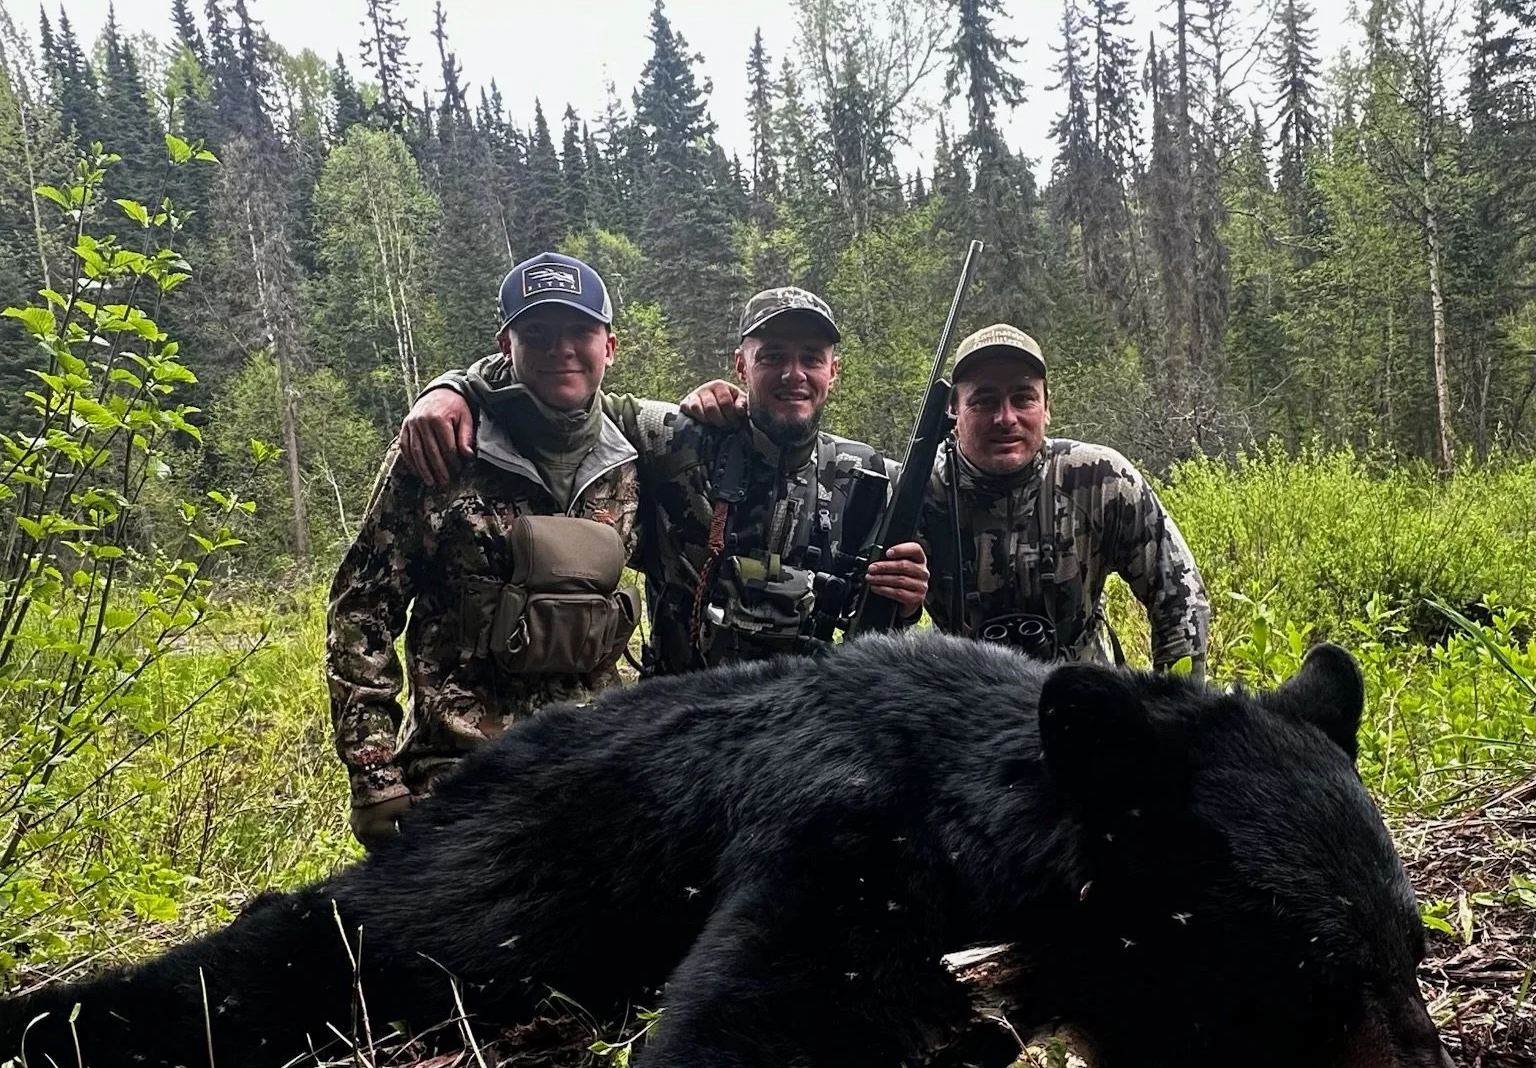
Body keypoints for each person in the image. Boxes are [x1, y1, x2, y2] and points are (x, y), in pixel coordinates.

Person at [398, 284, 929, 671]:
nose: (794, 374)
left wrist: (904, 607)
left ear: (834, 371)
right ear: (741, 367)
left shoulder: (874, 480)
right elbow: (563, 391)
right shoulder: (677, 439)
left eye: (811, 358)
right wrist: (452, 388)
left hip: (810, 732)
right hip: (684, 726)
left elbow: (880, 630)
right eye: (772, 358)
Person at [328, 252, 643, 847]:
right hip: (461, 772)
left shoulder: (637, 456)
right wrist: (373, 771)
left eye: (580, 330)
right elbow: (362, 610)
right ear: (506, 343)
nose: (561, 349)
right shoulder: (441, 450)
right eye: (537, 333)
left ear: (610, 345)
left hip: (598, 764)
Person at [919, 324, 1209, 677]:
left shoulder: (1099, 478)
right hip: (963, 700)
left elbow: (1180, 594)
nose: (1006, 418)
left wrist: (1176, 709)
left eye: (1023, 397)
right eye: (984, 401)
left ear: (1047, 407)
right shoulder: (920, 492)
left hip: (1082, 692)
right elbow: (878, 621)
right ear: (953, 412)